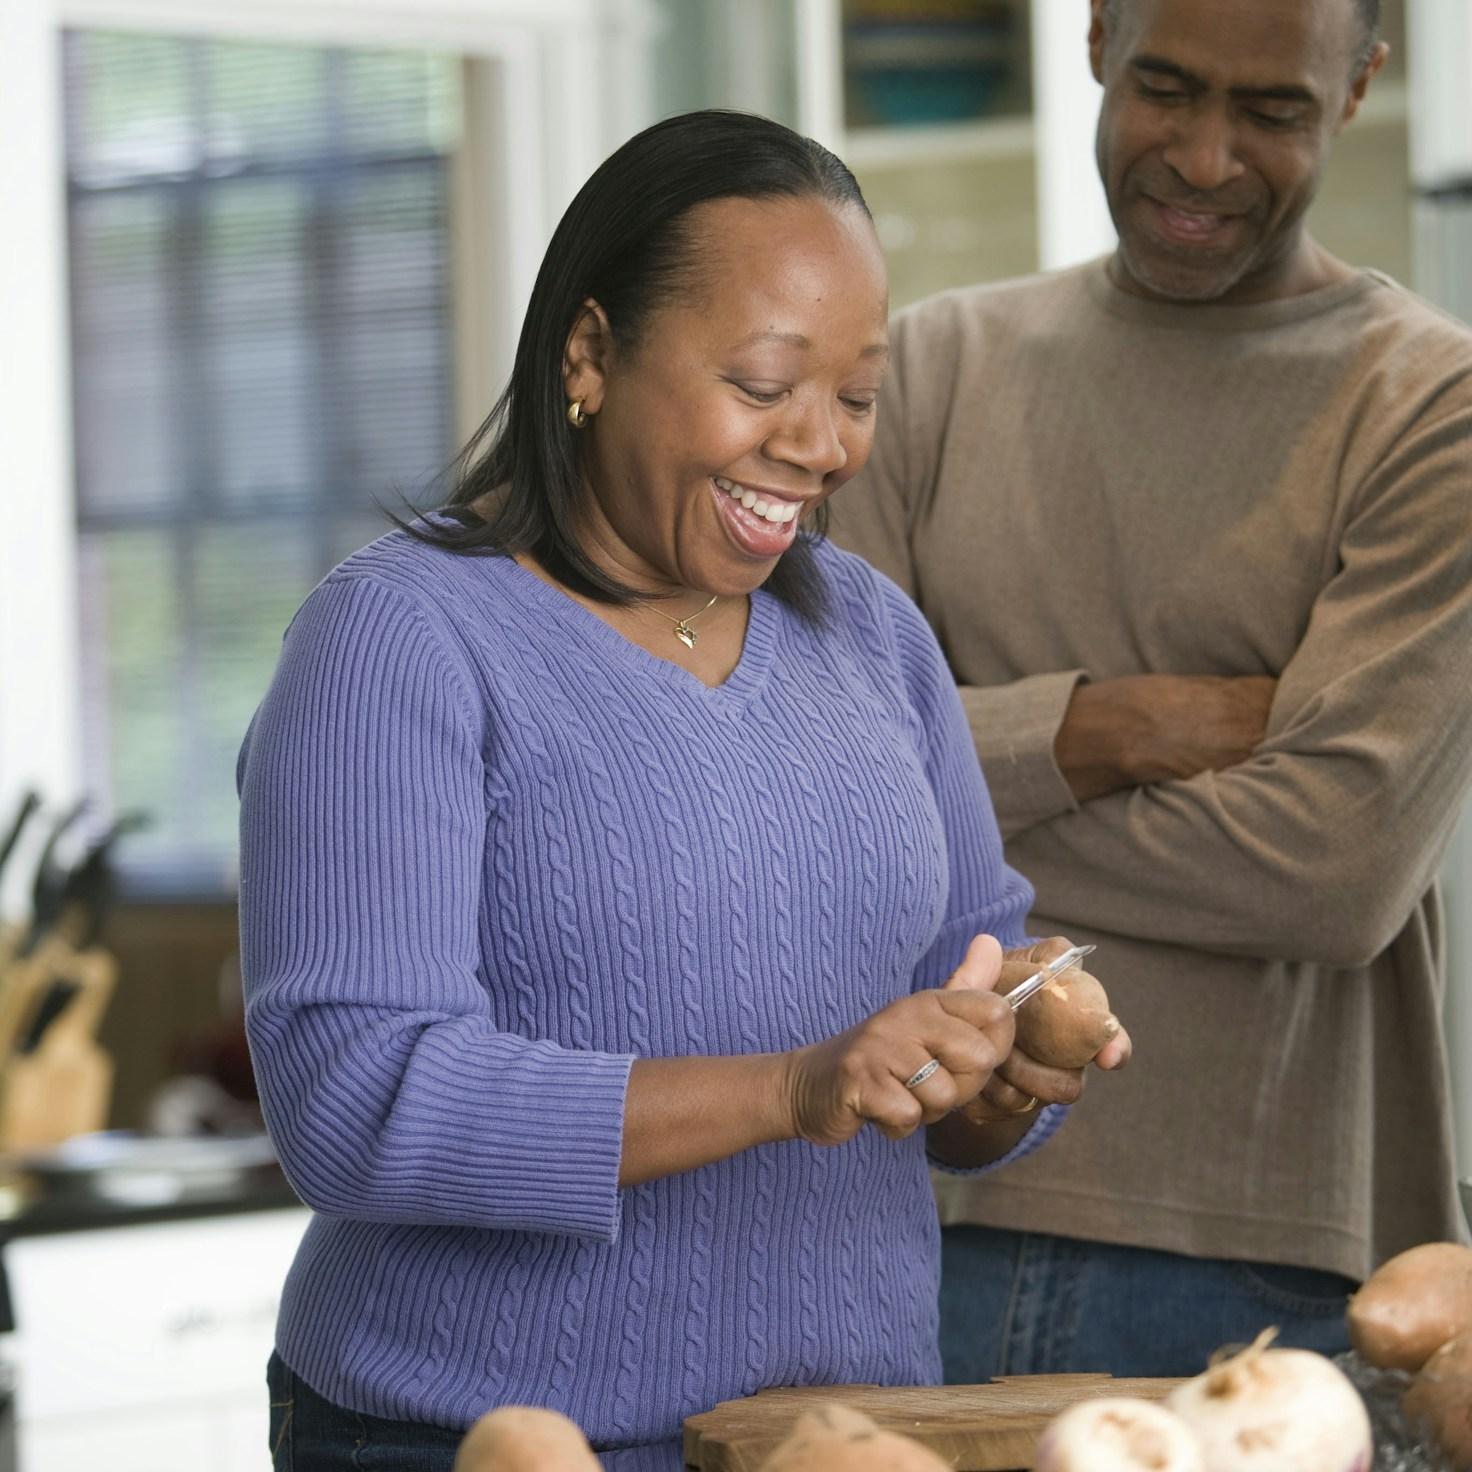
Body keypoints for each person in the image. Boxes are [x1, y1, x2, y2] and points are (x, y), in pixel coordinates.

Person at [237, 110, 1130, 1472]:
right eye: (767, 382)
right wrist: (793, 1087)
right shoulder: (401, 641)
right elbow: (357, 1108)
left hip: (844, 1443)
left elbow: (955, 1023)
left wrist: (1016, 1063)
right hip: (477, 1440)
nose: (821, 445)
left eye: (857, 395)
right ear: (589, 354)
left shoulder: (873, 634)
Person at [830, 0, 1472, 1383]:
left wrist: (951, 770)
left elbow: (1332, 869)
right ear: (1098, 44)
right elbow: (820, 796)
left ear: (1359, 88)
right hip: (904, 1197)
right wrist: (1105, 728)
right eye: (1166, 88)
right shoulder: (928, 374)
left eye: (1273, 112)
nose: (1203, 156)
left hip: (1260, 1241)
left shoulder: (1431, 408)